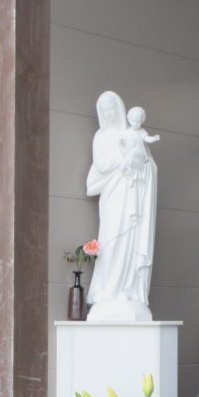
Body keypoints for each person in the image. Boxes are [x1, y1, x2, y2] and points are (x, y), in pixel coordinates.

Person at [85, 92, 157, 321]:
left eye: (111, 108)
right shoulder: (101, 136)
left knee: (130, 239)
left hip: (132, 192)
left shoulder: (132, 133)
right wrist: (123, 160)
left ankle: (127, 288)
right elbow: (101, 164)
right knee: (112, 238)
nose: (108, 113)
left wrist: (138, 162)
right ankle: (109, 290)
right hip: (113, 193)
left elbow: (149, 165)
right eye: (103, 109)